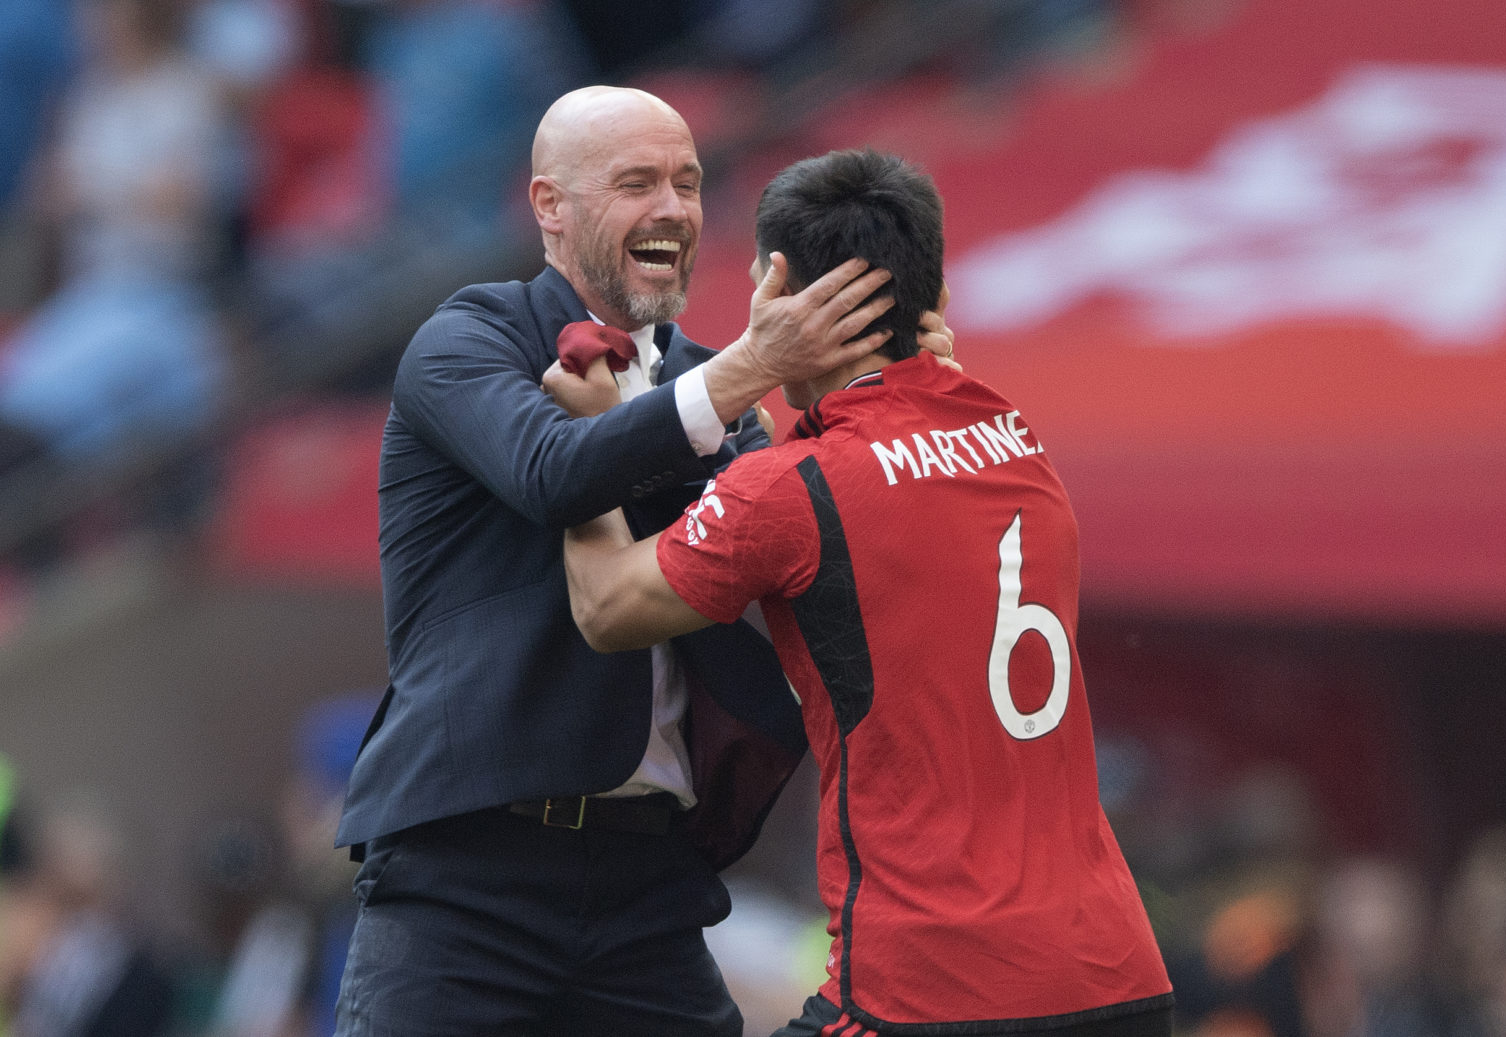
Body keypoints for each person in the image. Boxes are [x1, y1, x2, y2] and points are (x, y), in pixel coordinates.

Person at [331, 85, 931, 1035]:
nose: (672, 209)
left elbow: (807, 555)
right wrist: (744, 370)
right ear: (548, 207)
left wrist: (902, 392)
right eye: (636, 183)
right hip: (465, 876)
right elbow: (555, 470)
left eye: (688, 184)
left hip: (648, 883)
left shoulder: (727, 402)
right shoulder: (465, 340)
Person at [559, 149, 1175, 1035]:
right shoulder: (1015, 435)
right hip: (1114, 976)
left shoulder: (791, 488)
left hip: (931, 989)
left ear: (778, 285)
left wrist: (589, 453)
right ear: (935, 297)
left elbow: (608, 607)